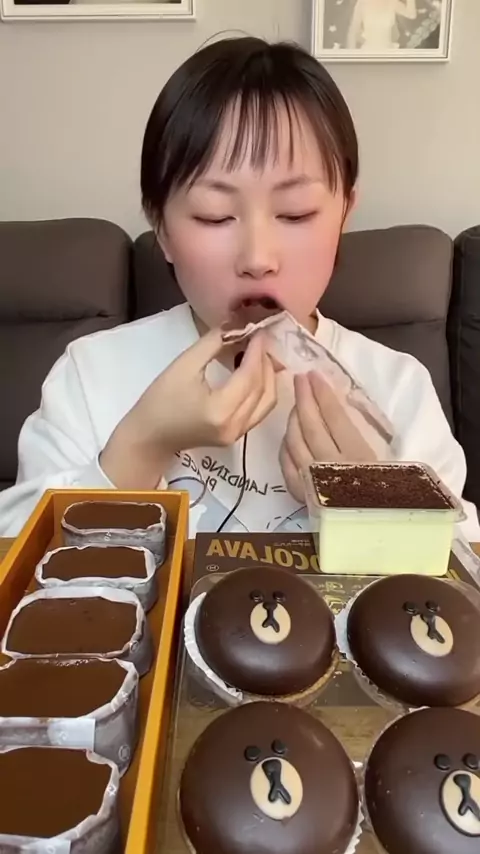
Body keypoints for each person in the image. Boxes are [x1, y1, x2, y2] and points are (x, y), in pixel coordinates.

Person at [0, 36, 478, 540]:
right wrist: (141, 446)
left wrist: (374, 506)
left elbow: (461, 566)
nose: (257, 258)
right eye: (215, 216)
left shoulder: (397, 389)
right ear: (162, 229)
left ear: (344, 214)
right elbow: (17, 552)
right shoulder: (92, 374)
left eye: (296, 213)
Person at [347, 0, 417, 51]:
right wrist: (350, 60)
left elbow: (411, 14)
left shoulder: (392, 2)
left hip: (388, 52)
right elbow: (353, 32)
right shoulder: (363, 3)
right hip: (368, 53)